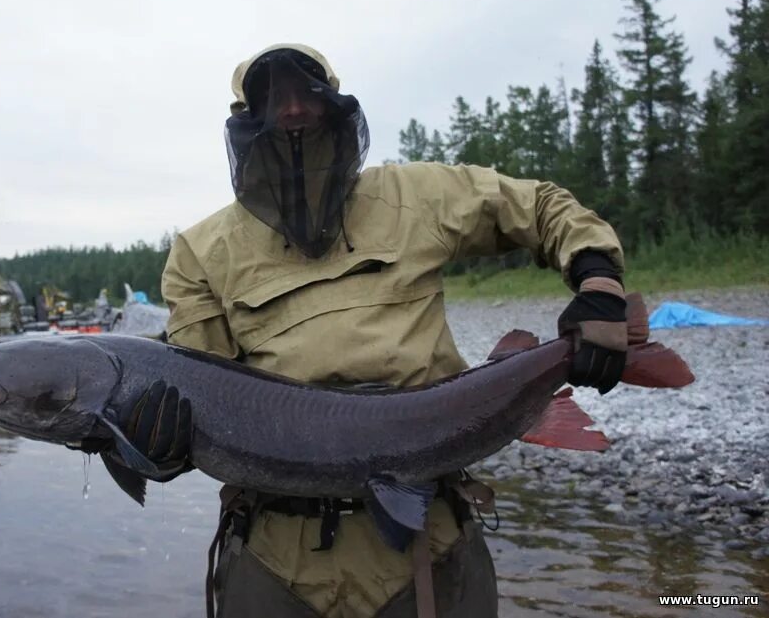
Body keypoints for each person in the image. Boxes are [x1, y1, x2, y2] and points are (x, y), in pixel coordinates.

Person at [101, 44, 628, 618]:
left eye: (308, 93)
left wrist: (598, 283)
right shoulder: (200, 251)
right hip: (274, 555)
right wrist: (154, 448)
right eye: (274, 98)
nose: (295, 110)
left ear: (337, 104)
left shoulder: (414, 195)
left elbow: (540, 206)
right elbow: (197, 395)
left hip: (429, 539)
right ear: (244, 121)